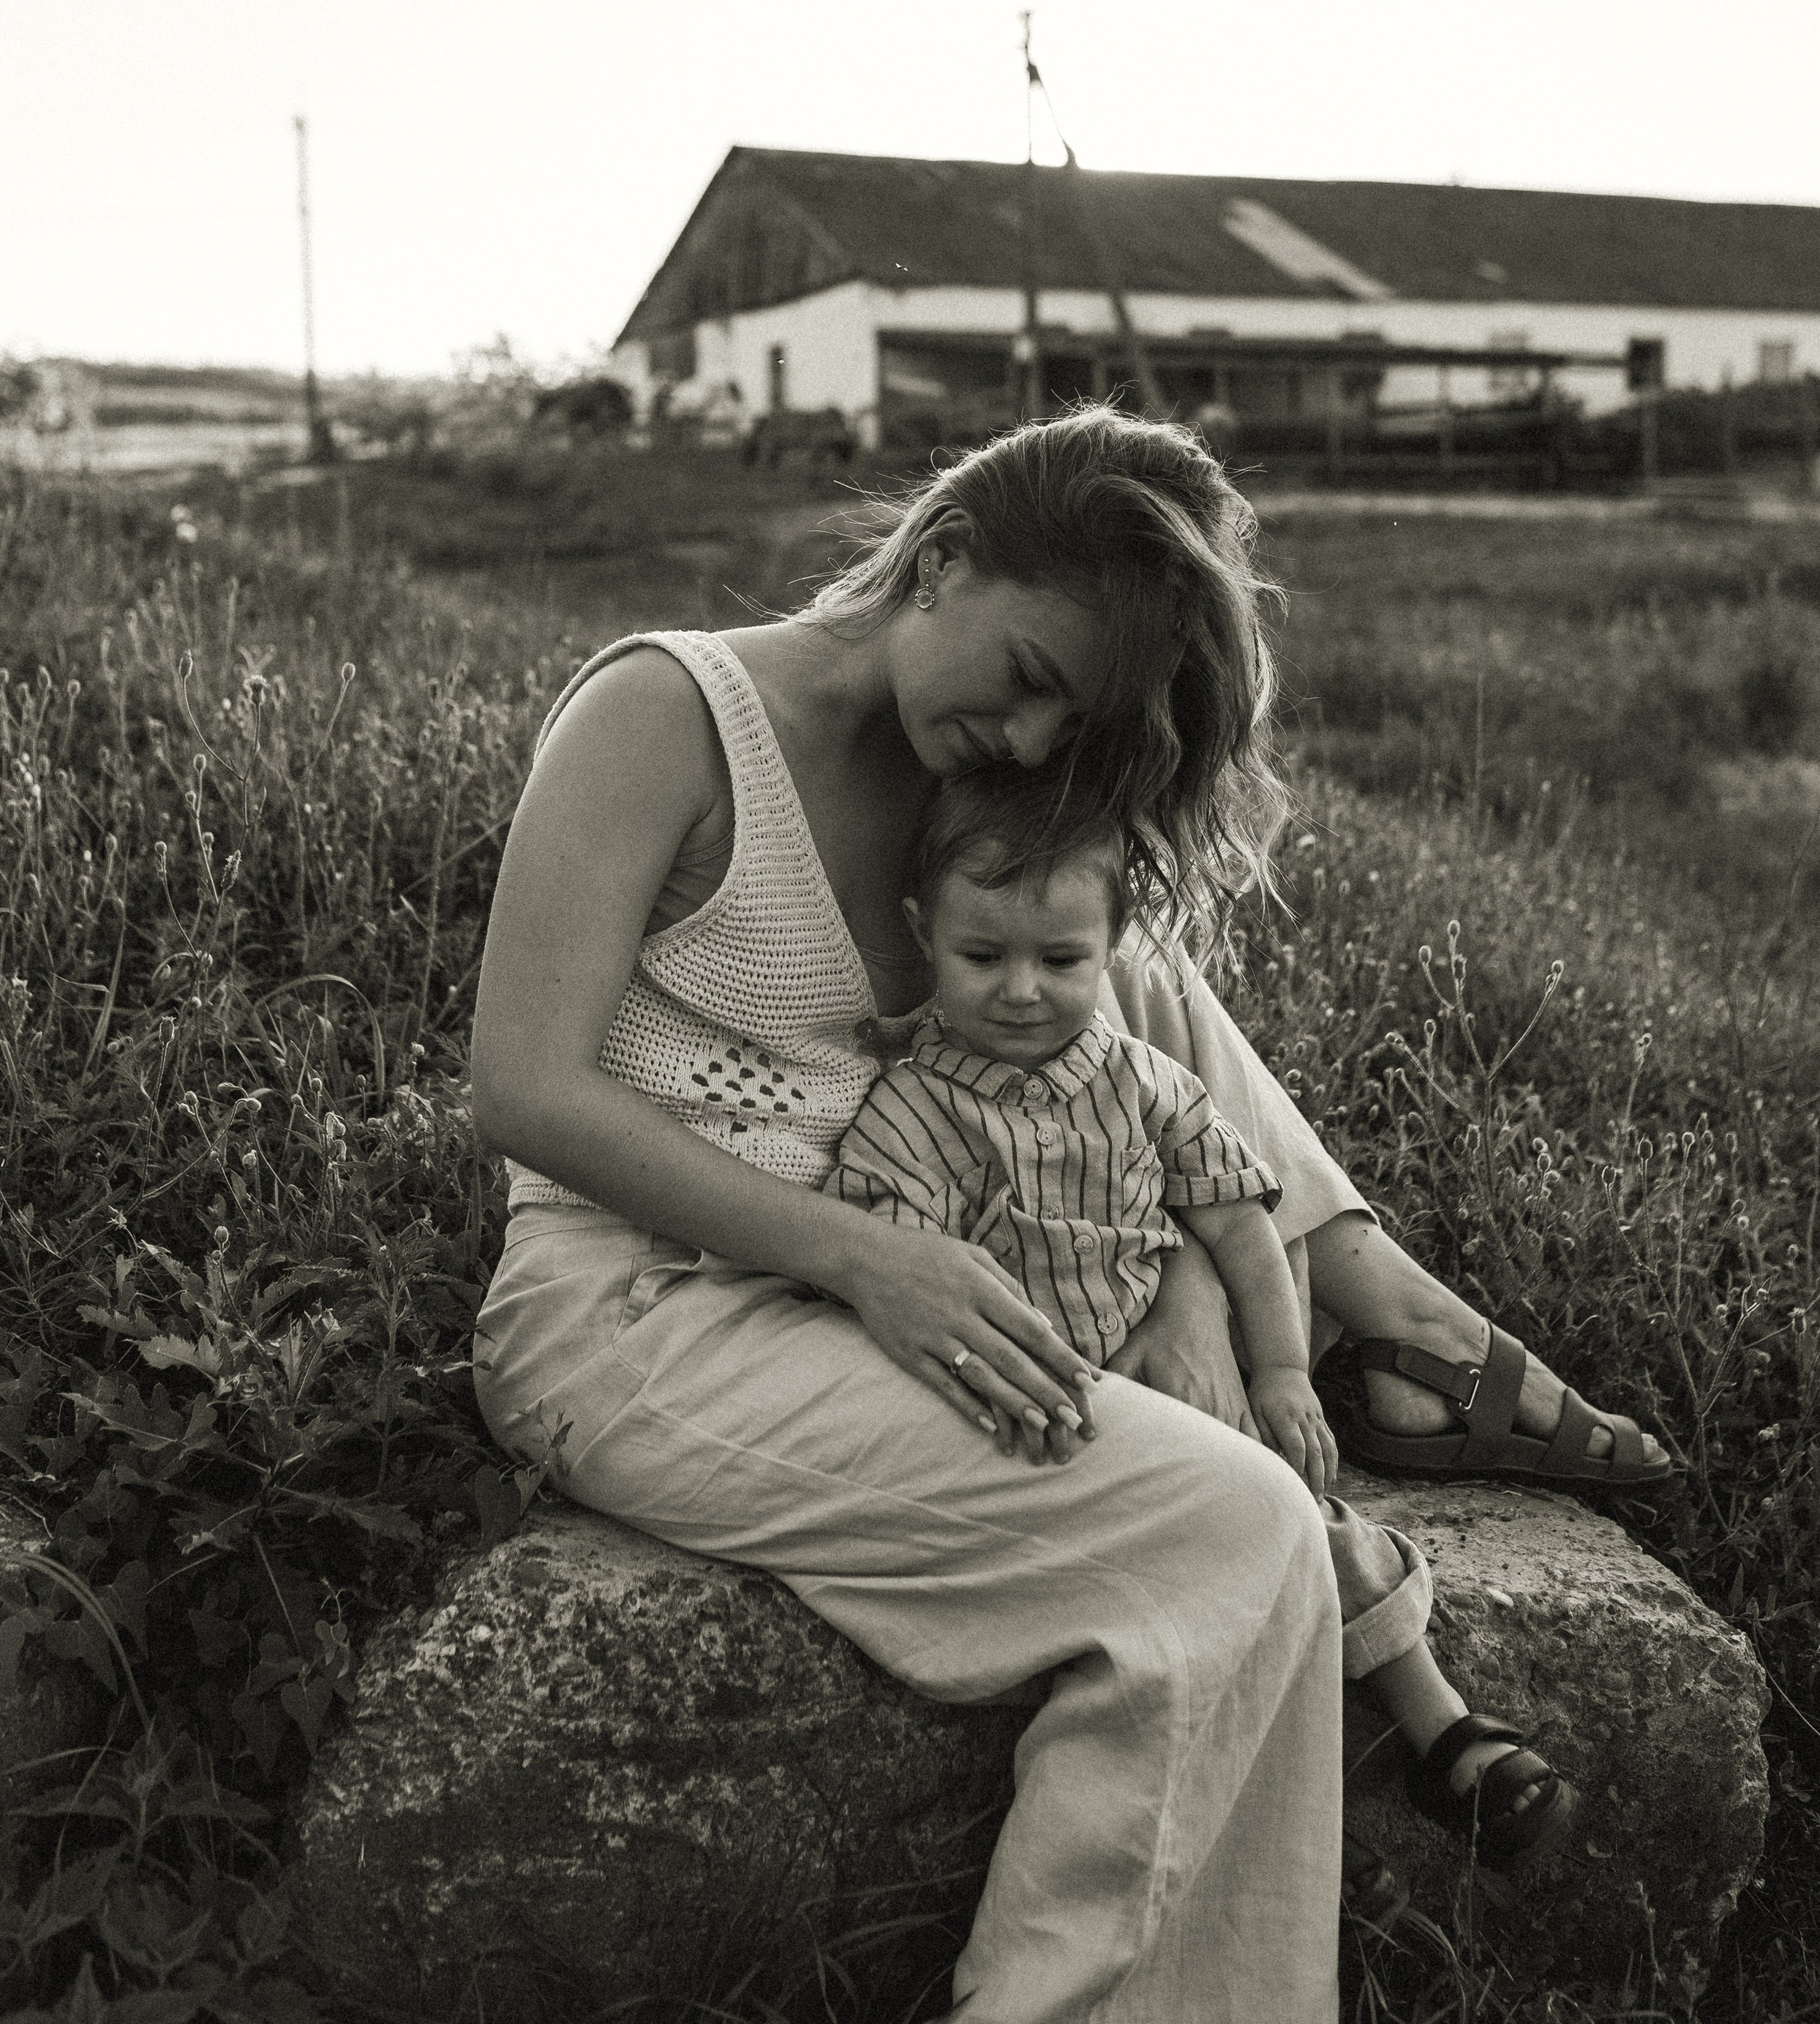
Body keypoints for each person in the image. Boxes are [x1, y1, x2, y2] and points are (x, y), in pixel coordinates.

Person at [470, 407, 1663, 2023]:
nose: (1031, 742)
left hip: (868, 1303)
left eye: (1070, 716)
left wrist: (1179, 1275)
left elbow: (1105, 1059)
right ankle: (1384, 1315)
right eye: (1028, 675)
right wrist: (872, 1260)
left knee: (1128, 993)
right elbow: (524, 1090)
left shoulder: (976, 803)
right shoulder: (663, 713)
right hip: (632, 1314)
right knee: (1234, 1531)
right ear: (941, 558)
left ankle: (1363, 1302)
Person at [827, 764, 1576, 1878]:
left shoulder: (1147, 1083)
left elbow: (1246, 1237)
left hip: (1170, 1373)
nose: (1023, 990)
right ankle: (1422, 1734)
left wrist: (1278, 1372)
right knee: (1231, 1519)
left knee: (1291, 1502)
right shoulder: (917, 1112)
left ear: (1115, 943)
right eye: (983, 957)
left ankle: (1442, 1724)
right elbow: (913, 1282)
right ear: (920, 933)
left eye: (1063, 960)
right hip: (1034, 1397)